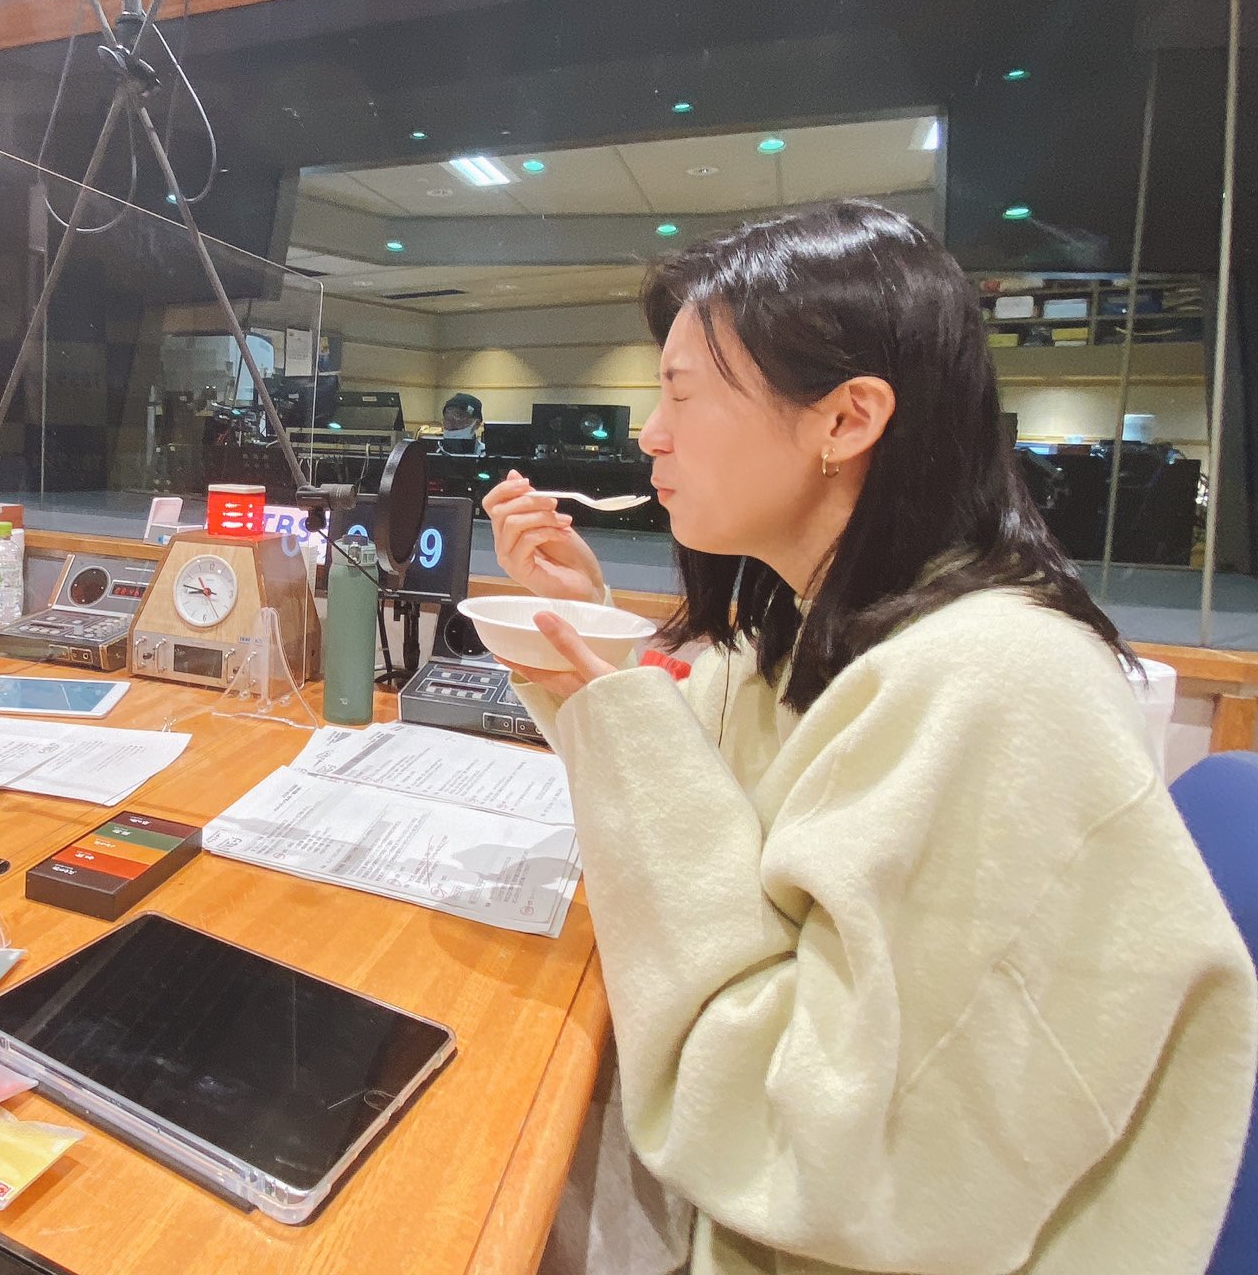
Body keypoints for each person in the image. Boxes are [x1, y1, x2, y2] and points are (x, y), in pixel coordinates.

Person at [483, 201, 1256, 1274]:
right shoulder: (817, 630)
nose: (650, 434)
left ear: (845, 421)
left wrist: (619, 721)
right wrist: (585, 627)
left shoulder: (1000, 685)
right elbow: (695, 769)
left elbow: (822, 1152)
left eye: (682, 394)